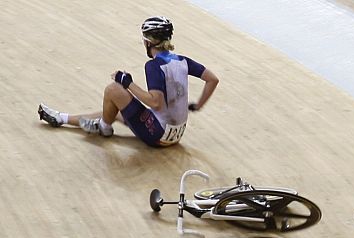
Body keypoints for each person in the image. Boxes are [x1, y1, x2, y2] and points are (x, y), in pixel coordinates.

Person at [37, 16, 219, 147]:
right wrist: (198, 105)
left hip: (158, 134)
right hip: (176, 134)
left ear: (149, 42)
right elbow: (212, 79)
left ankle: (104, 128)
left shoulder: (154, 66)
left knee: (113, 90)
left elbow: (155, 102)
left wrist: (127, 82)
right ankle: (62, 118)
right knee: (113, 111)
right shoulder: (183, 60)